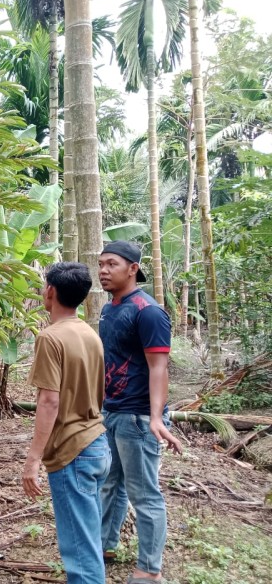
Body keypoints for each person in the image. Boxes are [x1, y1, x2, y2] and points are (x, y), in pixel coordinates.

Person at [97, 241, 183, 584]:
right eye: (101, 264)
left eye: (112, 264)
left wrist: (156, 417)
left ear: (133, 268)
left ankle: (150, 569)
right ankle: (104, 546)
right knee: (109, 484)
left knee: (144, 494)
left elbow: (159, 367)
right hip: (112, 412)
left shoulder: (147, 311)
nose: (103, 270)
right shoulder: (109, 308)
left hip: (136, 418)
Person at [22, 262, 111, 584]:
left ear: (51, 291)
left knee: (79, 549)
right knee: (87, 537)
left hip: (72, 451)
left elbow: (49, 401)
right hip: (98, 444)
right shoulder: (91, 335)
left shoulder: (51, 338)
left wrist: (33, 460)